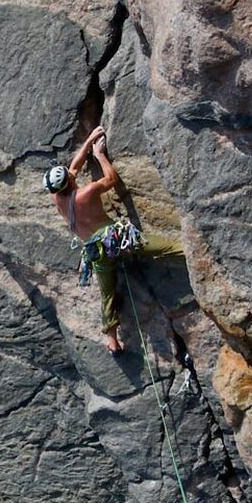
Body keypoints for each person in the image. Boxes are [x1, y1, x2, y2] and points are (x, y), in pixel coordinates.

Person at [47, 126, 181, 352]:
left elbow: (74, 168)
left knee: (107, 294)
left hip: (95, 251)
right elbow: (111, 179)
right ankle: (190, 251)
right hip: (117, 239)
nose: (72, 174)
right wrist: (99, 155)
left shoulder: (57, 199)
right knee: (163, 246)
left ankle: (113, 342)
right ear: (69, 183)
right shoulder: (85, 193)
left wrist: (89, 139)